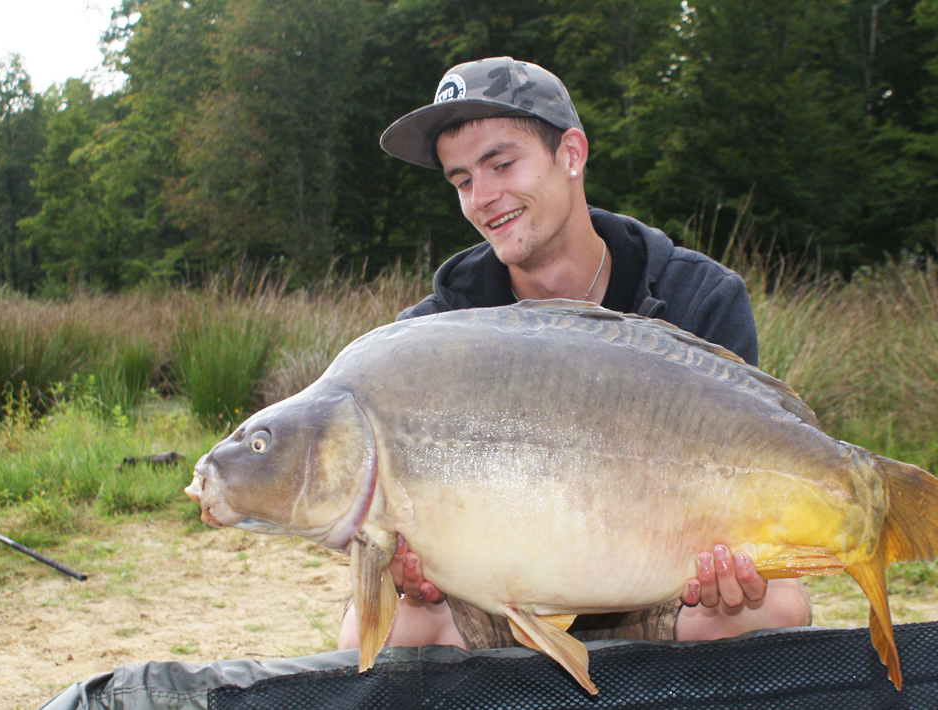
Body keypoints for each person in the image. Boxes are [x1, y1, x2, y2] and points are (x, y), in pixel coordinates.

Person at [340, 56, 811, 654]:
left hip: (658, 584)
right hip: (501, 593)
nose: (482, 198)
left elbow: (749, 482)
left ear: (571, 154)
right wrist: (414, 576)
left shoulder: (698, 298)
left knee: (777, 606)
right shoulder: (432, 336)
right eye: (461, 180)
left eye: (501, 163)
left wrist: (731, 564)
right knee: (373, 631)